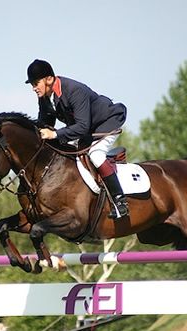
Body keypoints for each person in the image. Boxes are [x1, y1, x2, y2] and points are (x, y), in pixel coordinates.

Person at [25, 59, 129, 218]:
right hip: (87, 128)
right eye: (32, 84)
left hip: (107, 121)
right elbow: (45, 122)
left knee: (96, 154)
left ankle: (120, 201)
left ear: (49, 79)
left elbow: (82, 127)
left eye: (35, 83)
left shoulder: (74, 90)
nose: (34, 88)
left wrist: (54, 134)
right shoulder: (45, 96)